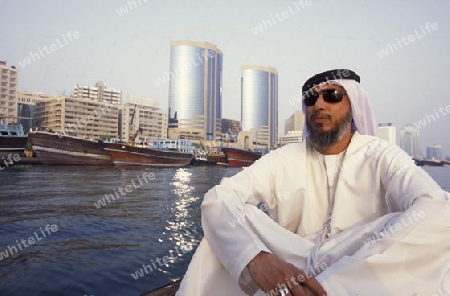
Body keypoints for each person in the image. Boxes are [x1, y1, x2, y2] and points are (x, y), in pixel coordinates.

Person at [176, 69, 450, 296]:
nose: (319, 105)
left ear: (353, 106)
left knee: (439, 213)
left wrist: (337, 282)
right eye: (311, 99)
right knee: (226, 221)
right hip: (290, 261)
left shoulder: (380, 153)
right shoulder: (286, 157)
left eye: (332, 95)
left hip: (361, 262)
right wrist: (255, 258)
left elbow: (433, 204)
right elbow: (219, 197)